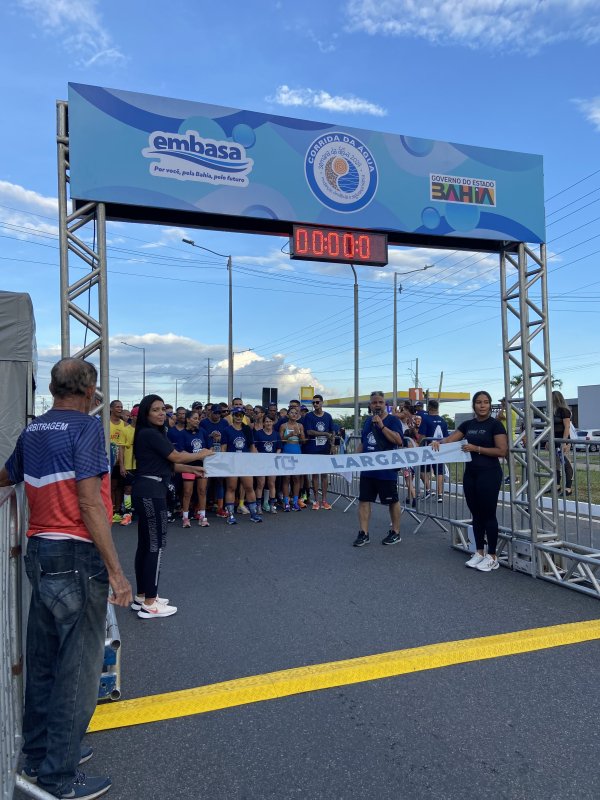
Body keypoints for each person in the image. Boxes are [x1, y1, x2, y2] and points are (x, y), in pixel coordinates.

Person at [0, 357, 132, 800]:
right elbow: (90, 503)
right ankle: (59, 775)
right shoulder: (87, 429)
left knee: (43, 662)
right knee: (78, 668)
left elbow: (7, 475)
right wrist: (116, 572)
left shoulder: (34, 430)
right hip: (76, 553)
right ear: (88, 389)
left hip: (38, 550)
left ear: (55, 388)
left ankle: (39, 754)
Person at [131, 394, 211, 618]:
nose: (160, 413)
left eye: (162, 409)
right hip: (151, 492)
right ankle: (150, 602)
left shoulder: (153, 434)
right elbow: (175, 455)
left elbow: (166, 464)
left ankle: (142, 596)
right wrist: (200, 455)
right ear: (146, 413)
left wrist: (194, 469)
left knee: (146, 544)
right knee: (155, 545)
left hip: (149, 488)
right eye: (155, 410)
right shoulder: (149, 433)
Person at [432, 390, 508, 572]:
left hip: (489, 473)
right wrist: (437, 443)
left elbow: (501, 451)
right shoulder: (468, 424)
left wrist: (476, 448)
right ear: (473, 405)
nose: (482, 405)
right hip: (471, 474)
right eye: (479, 402)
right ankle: (479, 552)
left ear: (490, 405)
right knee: (476, 513)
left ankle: (492, 556)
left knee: (488, 514)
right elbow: (450, 440)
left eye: (486, 402)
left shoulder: (495, 425)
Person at [353, 391, 403, 547]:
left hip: (386, 470)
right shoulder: (367, 421)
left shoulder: (393, 421)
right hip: (368, 470)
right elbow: (364, 442)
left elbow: (398, 440)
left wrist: (382, 427)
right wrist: (352, 458)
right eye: (374, 402)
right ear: (370, 405)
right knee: (364, 500)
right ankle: (364, 533)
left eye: (380, 402)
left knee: (392, 501)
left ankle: (395, 532)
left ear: (385, 405)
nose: (377, 405)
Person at [222, 405, 262, 524]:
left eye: (241, 415)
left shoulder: (247, 429)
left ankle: (253, 513)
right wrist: (225, 463)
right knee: (231, 487)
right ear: (232, 416)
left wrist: (255, 461)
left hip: (245, 463)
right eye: (236, 415)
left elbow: (252, 447)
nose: (238, 417)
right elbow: (223, 449)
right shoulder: (227, 430)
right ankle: (230, 515)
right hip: (232, 463)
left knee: (249, 487)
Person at [303, 394, 335, 510]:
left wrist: (332, 445)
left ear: (322, 403)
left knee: (325, 475)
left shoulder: (328, 416)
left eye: (317, 402)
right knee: (315, 475)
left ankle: (325, 500)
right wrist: (324, 434)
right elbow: (310, 432)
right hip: (313, 449)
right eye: (313, 403)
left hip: (325, 449)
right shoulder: (309, 416)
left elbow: (332, 431)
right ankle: (316, 500)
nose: (315, 404)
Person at [179, 410, 209, 528]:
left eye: (198, 418)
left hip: (202, 466)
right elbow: (181, 451)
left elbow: (208, 447)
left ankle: (203, 516)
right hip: (188, 466)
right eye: (195, 418)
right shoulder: (182, 434)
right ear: (188, 420)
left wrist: (204, 454)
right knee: (187, 492)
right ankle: (185, 518)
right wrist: (196, 456)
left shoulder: (203, 432)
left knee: (202, 491)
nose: (197, 421)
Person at [419, 399, 449, 502]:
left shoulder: (425, 419)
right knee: (439, 472)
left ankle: (428, 490)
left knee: (422, 470)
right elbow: (446, 437)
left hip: (427, 448)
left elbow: (422, 436)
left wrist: (419, 445)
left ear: (429, 407)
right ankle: (440, 494)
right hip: (440, 449)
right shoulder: (443, 420)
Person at [280, 406, 306, 511]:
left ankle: (295, 501)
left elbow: (304, 441)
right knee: (286, 478)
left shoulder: (300, 425)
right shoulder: (283, 426)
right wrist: (289, 435)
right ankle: (286, 502)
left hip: (297, 452)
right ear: (288, 414)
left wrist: (299, 434)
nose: (294, 415)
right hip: (286, 452)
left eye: (296, 413)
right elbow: (280, 440)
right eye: (292, 413)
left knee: (296, 478)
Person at [254, 414, 281, 513]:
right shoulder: (258, 433)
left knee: (271, 483)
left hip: (272, 462)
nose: (268, 423)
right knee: (260, 483)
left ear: (273, 422)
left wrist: (274, 457)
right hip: (261, 462)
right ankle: (258, 506)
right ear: (263, 423)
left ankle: (272, 505)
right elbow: (254, 447)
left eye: (270, 421)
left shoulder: (276, 434)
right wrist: (260, 458)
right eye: (266, 421)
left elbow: (279, 448)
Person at [552, 390, 574, 496]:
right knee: (555, 464)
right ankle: (557, 486)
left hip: (563, 440)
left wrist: (564, 443)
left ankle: (568, 488)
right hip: (555, 440)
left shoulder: (564, 411)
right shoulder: (553, 411)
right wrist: (548, 440)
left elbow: (567, 427)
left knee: (566, 463)